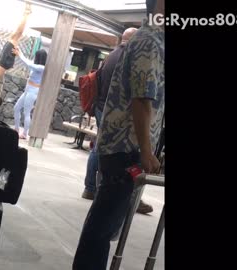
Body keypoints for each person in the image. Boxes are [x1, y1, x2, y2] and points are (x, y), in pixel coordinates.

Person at [72, 0, 165, 269]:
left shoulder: (153, 41)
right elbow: (142, 100)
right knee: (101, 230)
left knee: (104, 228)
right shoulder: (150, 42)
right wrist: (147, 152)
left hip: (126, 146)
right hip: (127, 149)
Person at [81, 27, 137, 200]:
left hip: (101, 106)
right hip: (112, 109)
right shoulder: (127, 56)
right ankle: (114, 191)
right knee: (113, 150)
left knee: (100, 146)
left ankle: (91, 187)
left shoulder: (111, 55)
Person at [0, 3, 32, 116]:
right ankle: (26, 13)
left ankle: (27, 13)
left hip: (0, 66)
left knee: (16, 36)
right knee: (16, 36)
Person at [12, 48, 47, 139]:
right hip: (28, 90)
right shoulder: (36, 65)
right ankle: (16, 129)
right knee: (16, 108)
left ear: (38, 57)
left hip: (33, 91)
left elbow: (28, 63)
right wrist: (20, 52)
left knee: (26, 112)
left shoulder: (42, 68)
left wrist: (20, 55)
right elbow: (28, 62)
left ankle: (24, 134)